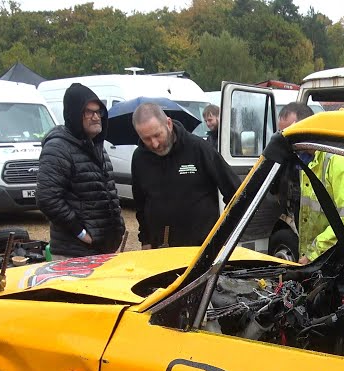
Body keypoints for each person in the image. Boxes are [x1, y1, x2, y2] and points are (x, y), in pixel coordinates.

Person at [276, 102, 344, 277]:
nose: (288, 142)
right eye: (283, 135)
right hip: (330, 270)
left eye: (291, 135)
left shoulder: (341, 161)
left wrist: (313, 255)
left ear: (308, 126)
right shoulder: (309, 161)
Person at [130, 103, 240, 249]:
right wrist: (145, 240)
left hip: (201, 249)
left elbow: (235, 192)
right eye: (146, 139)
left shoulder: (199, 148)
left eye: (157, 135)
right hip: (161, 250)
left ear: (168, 124)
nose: (155, 144)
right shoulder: (139, 158)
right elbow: (140, 204)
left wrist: (225, 234)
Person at [36, 83, 126, 258]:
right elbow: (47, 198)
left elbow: (106, 191)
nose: (96, 117)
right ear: (75, 115)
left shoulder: (97, 146)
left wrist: (118, 226)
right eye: (88, 112)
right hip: (74, 253)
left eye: (98, 111)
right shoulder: (58, 147)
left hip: (102, 249)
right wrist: (81, 233)